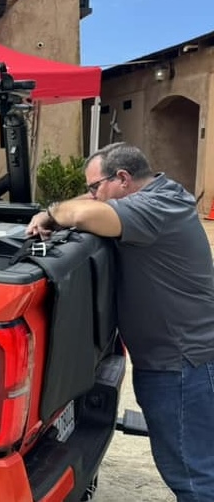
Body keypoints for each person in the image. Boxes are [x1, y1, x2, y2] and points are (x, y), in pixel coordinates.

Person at [26, 142, 214, 502]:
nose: (92, 195)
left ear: (123, 178)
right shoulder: (163, 195)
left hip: (180, 367)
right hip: (180, 361)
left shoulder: (152, 209)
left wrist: (50, 213)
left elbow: (83, 215)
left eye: (95, 187)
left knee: (194, 478)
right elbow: (92, 203)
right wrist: (92, 194)